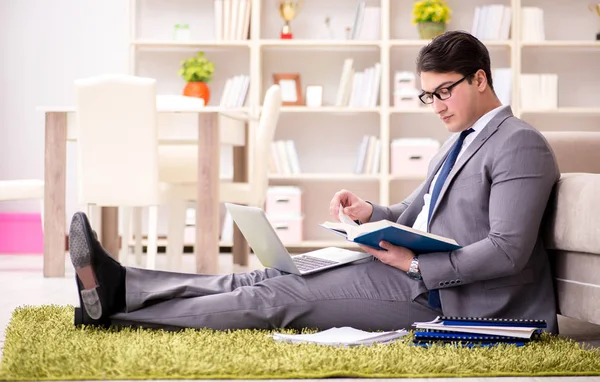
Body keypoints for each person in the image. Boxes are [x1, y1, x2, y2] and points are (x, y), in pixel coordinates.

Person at [70, 30, 560, 334]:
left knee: (278, 298)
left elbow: (507, 248)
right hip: (411, 275)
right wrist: (370, 213)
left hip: (455, 299)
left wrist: (414, 265)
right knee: (266, 276)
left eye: (444, 92)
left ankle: (116, 315)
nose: (436, 106)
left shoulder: (518, 142)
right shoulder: (460, 141)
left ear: (479, 79)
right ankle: (124, 284)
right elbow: (411, 212)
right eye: (427, 96)